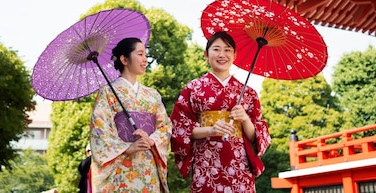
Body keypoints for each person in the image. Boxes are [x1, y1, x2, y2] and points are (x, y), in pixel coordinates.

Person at [170, 31, 271, 193]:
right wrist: (211, 130)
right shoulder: (192, 88)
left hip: (239, 163)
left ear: (235, 54)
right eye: (216, 49)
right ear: (206, 54)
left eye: (227, 49)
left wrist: (245, 119)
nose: (222, 54)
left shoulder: (249, 93)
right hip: (206, 161)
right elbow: (178, 128)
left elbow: (257, 136)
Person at [89, 37, 171, 192]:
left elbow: (165, 126)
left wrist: (152, 140)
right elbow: (99, 130)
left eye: (145, 55)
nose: (145, 60)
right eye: (140, 54)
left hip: (147, 163)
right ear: (124, 59)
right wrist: (127, 147)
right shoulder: (107, 92)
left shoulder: (152, 94)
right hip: (120, 166)